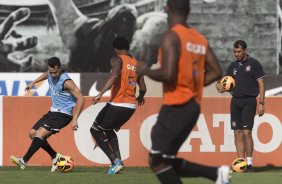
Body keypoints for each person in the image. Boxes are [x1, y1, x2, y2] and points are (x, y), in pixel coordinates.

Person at [136, 0, 232, 183]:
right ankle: (216, 174)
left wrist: (144, 70)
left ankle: (216, 173)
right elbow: (216, 72)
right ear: (188, 10)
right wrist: (193, 85)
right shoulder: (199, 39)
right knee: (165, 160)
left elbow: (168, 74)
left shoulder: (171, 36)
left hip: (176, 106)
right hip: (192, 107)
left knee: (156, 162)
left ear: (166, 9)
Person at [10, 56, 85, 172]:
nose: (53, 75)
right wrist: (33, 82)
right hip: (53, 112)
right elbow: (46, 74)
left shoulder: (67, 82)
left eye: (55, 72)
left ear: (60, 68)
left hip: (64, 115)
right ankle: (55, 157)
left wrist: (75, 119)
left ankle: (23, 161)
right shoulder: (50, 73)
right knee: (32, 134)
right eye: (51, 72)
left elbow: (81, 98)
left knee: (40, 133)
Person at [90, 36, 147, 174]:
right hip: (130, 107)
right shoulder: (137, 64)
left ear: (116, 49)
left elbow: (114, 76)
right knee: (108, 129)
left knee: (95, 130)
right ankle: (119, 161)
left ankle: (115, 162)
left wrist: (99, 94)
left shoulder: (117, 59)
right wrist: (140, 97)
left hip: (117, 104)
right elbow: (143, 87)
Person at [216, 40, 266, 172]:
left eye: (238, 51)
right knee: (237, 133)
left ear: (245, 50)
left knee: (246, 133)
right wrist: (219, 86)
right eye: (234, 51)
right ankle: (241, 164)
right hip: (235, 101)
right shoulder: (232, 66)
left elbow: (261, 83)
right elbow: (223, 82)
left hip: (249, 101)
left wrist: (261, 103)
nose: (236, 54)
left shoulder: (254, 64)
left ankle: (250, 164)